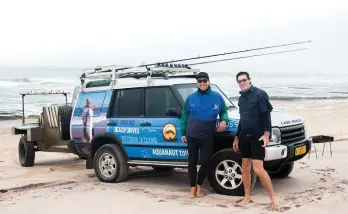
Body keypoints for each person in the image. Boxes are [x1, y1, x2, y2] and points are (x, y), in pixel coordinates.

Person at [232, 71, 280, 209]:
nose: (242, 83)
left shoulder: (260, 94)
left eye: (244, 80)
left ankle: (273, 199)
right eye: (239, 81)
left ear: (249, 80)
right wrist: (236, 136)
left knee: (258, 169)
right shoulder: (241, 99)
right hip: (244, 137)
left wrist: (266, 134)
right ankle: (247, 197)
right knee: (245, 167)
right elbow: (242, 119)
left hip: (257, 137)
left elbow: (266, 116)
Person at [180, 72, 229, 199]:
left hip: (207, 135)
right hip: (192, 135)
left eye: (204, 81)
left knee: (206, 162)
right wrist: (183, 132)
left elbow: (224, 111)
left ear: (208, 81)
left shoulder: (217, 97)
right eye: (200, 81)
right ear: (197, 83)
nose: (202, 83)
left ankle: (199, 184)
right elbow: (184, 115)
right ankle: (192, 188)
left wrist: (224, 120)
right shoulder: (191, 98)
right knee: (192, 162)